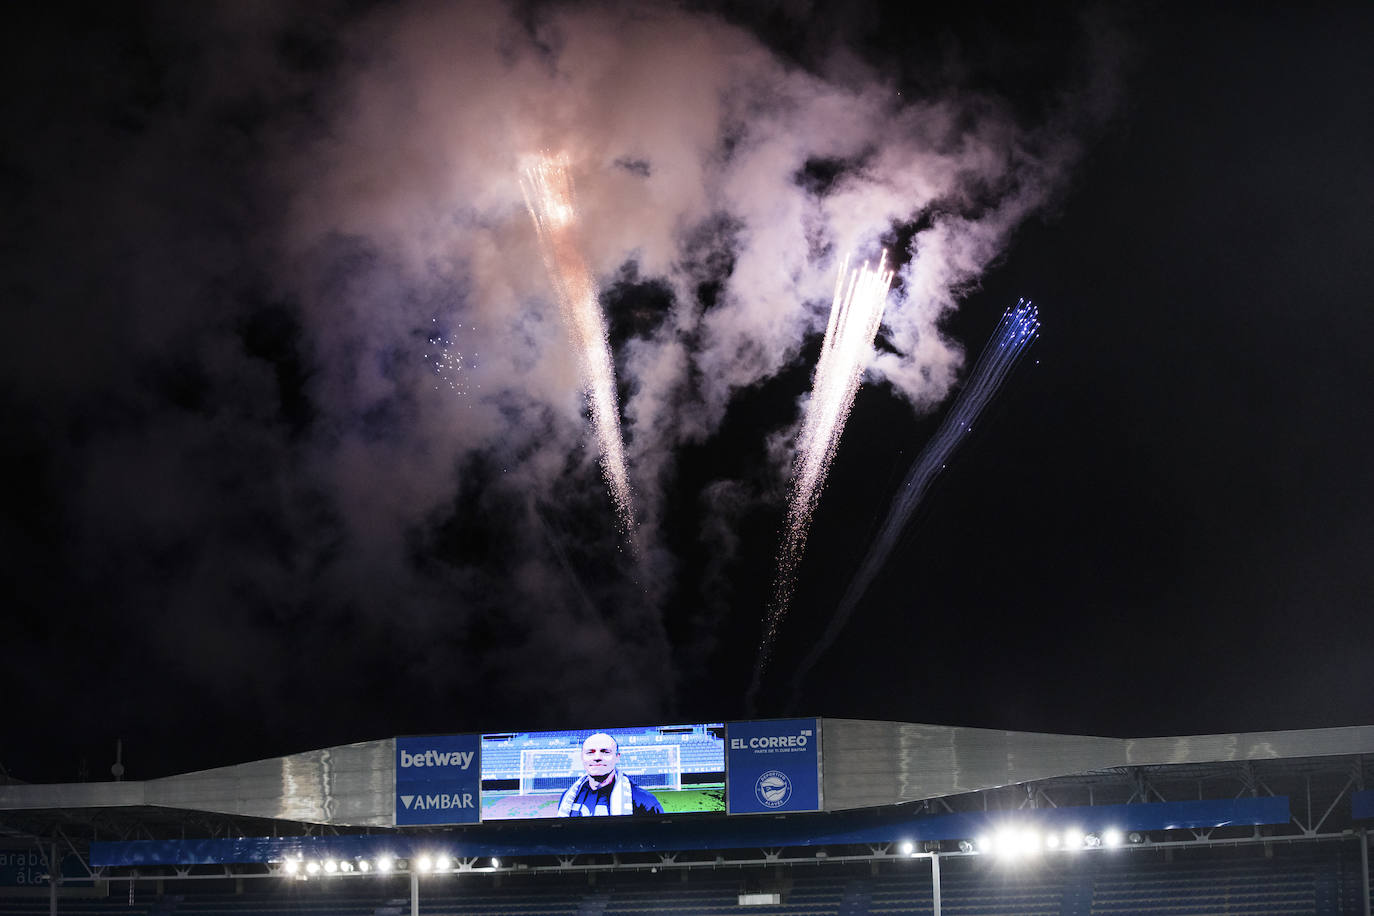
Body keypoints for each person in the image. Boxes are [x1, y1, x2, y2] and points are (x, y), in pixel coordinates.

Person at [556, 732, 664, 817]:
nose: (597, 757)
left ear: (617, 757)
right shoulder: (568, 797)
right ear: (582, 757)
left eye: (605, 752)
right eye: (590, 752)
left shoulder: (644, 800)